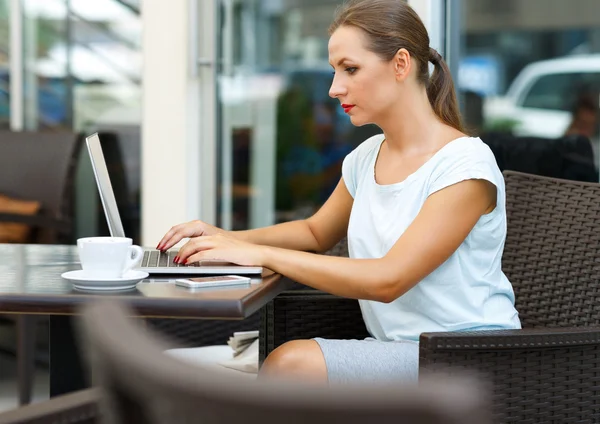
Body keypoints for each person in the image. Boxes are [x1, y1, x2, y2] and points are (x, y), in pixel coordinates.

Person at [157, 0, 521, 384]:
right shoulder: (368, 156)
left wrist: (261, 254)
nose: (334, 88)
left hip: (469, 357)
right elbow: (316, 233)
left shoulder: (464, 166)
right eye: (335, 71)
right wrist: (223, 238)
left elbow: (388, 280)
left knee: (291, 364)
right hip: (402, 350)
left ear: (400, 64)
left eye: (350, 69)